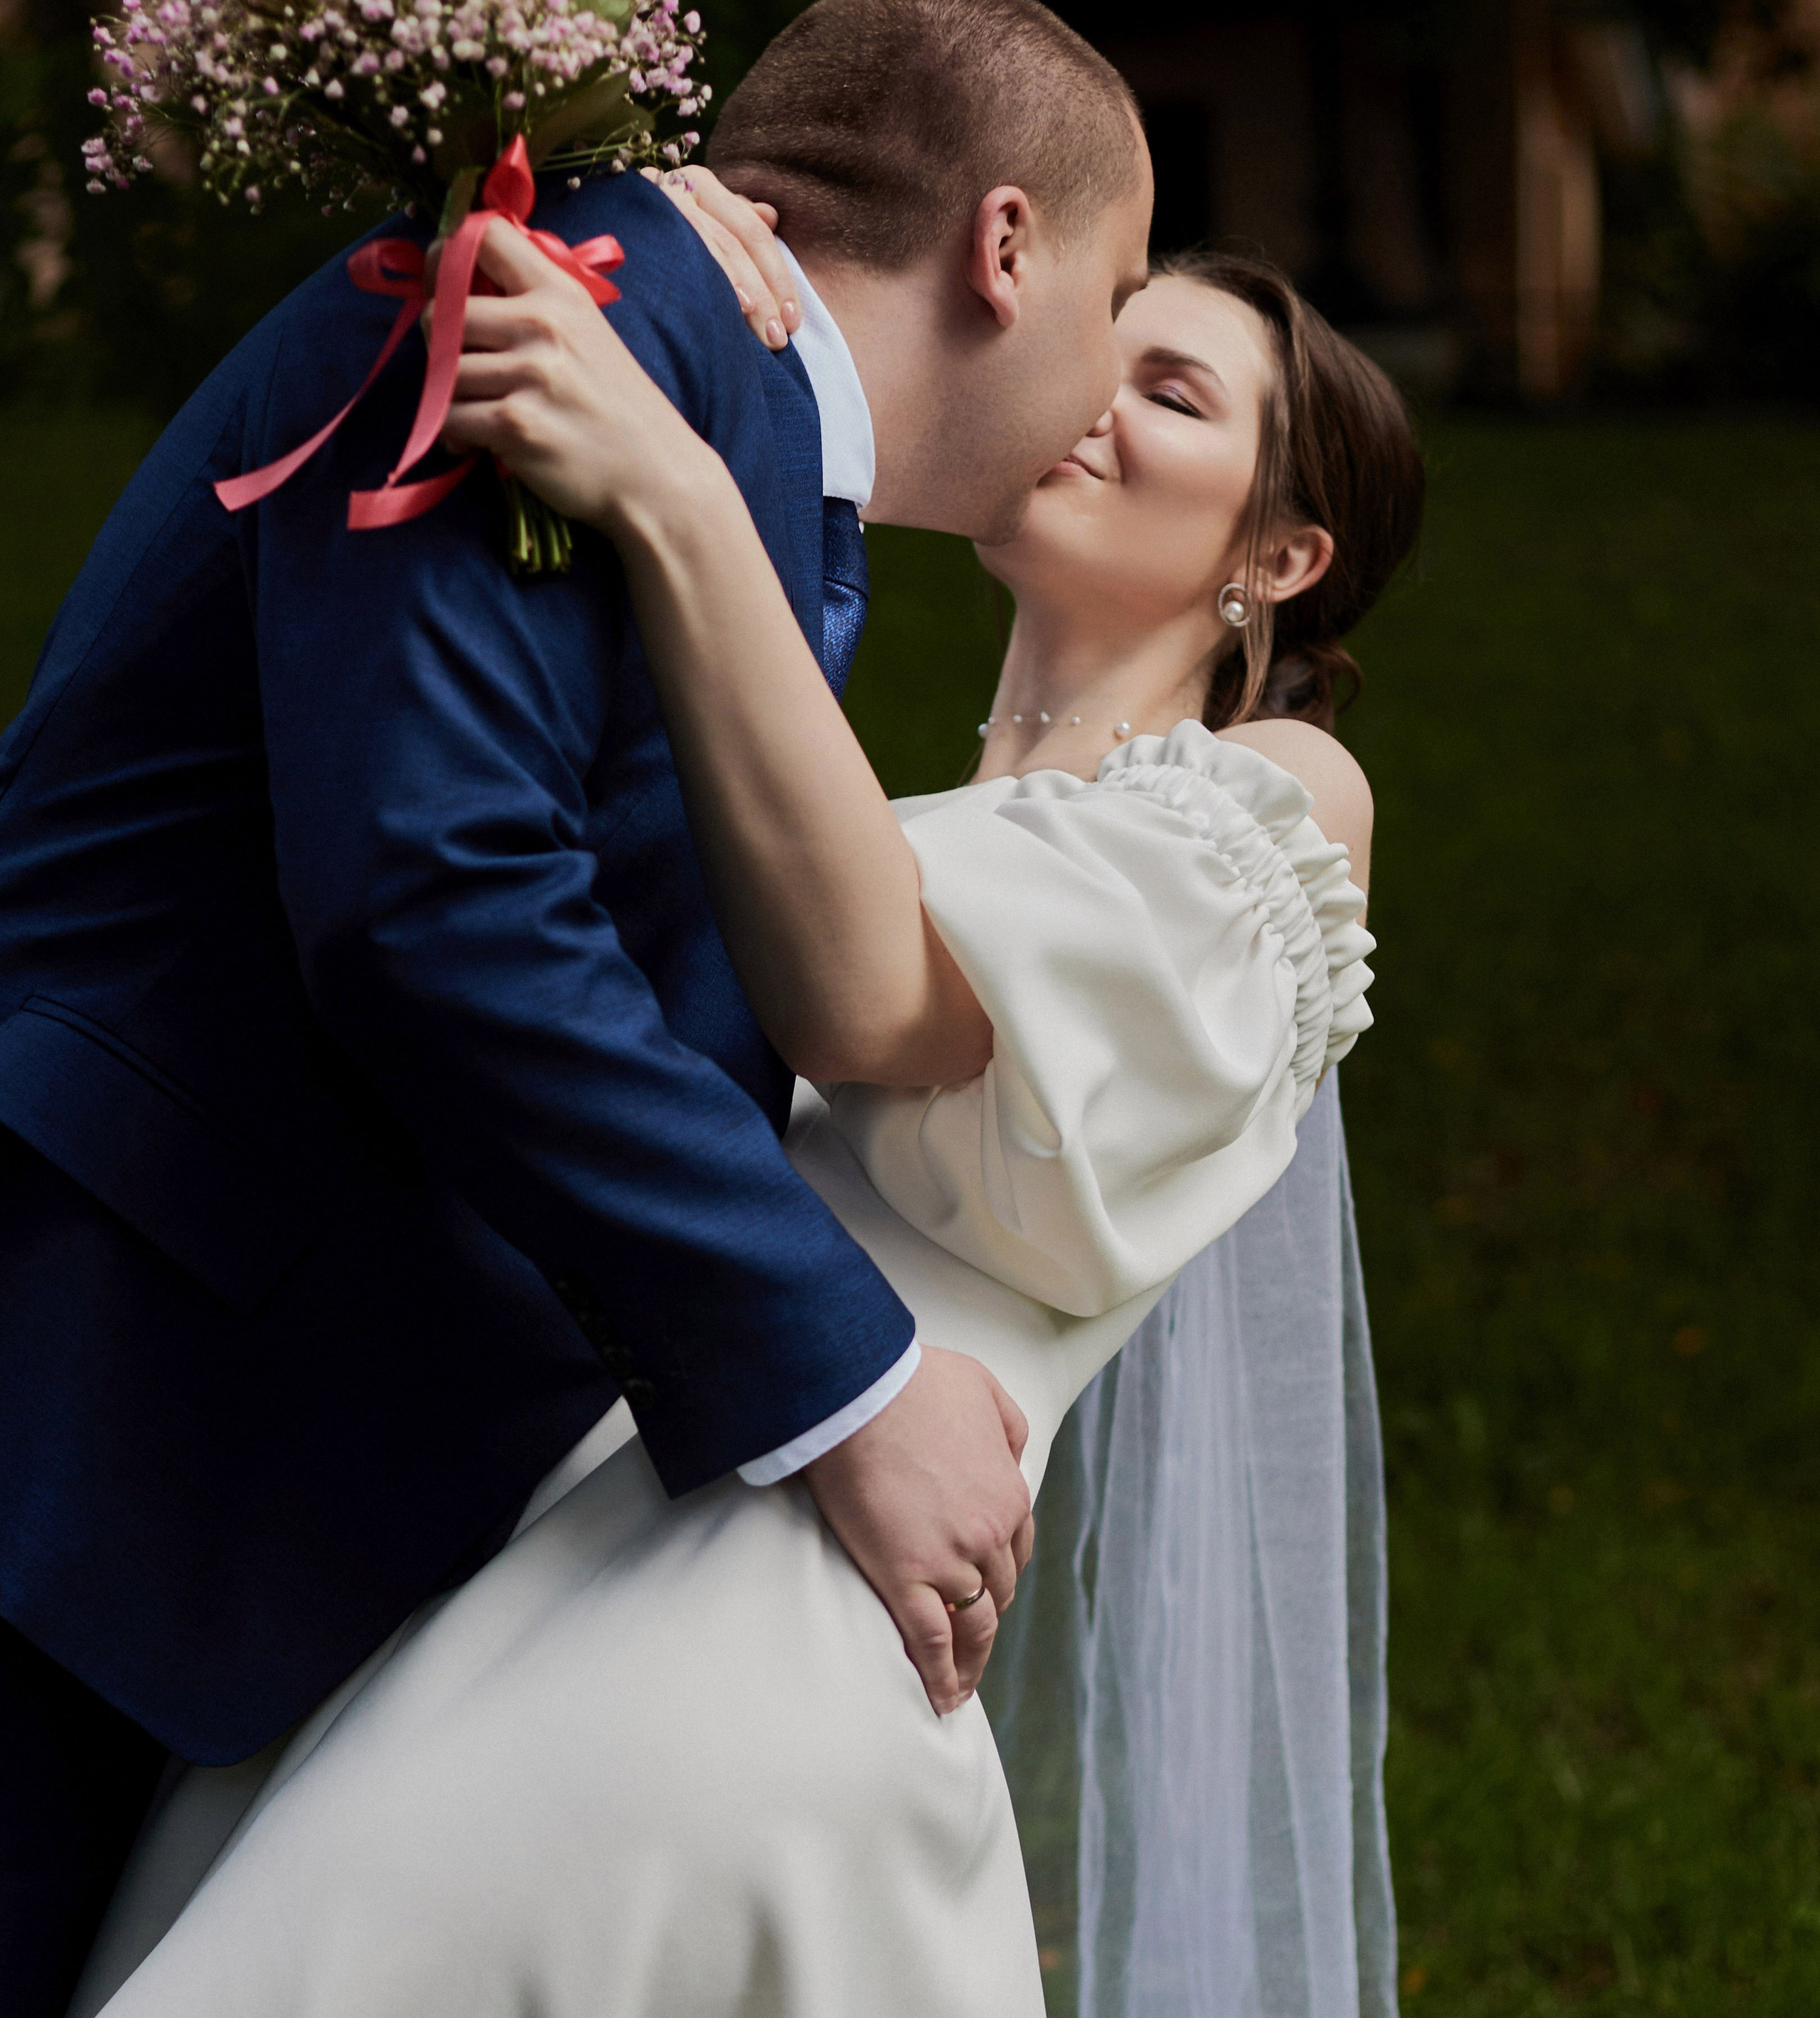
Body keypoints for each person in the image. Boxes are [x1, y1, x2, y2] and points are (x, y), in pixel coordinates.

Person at [70, 182, 1423, 2015]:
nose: (1094, 397)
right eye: (1099, 349)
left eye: (1172, 393)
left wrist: (676, 482)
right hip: (602, 1520)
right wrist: (732, 263)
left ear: (1283, 554)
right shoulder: (891, 818)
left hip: (777, 1607)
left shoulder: (1284, 804)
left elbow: (869, 1004)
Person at [0, 0, 1153, 2018]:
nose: (1117, 361)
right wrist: (847, 1382)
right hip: (97, 1368)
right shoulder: (565, 300)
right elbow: (439, 893)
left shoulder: (703, 388)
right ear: (1006, 246)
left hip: (238, 1433)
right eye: (1122, 286)